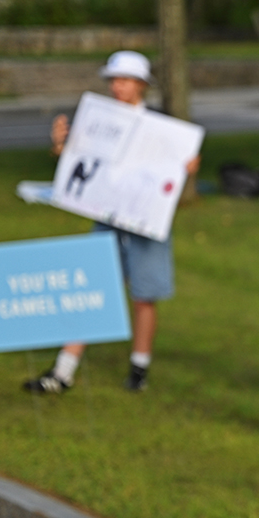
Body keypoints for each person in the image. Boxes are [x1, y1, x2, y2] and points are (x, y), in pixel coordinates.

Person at [25, 50, 199, 394]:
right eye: (114, 80)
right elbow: (79, 164)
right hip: (108, 217)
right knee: (94, 287)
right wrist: (61, 146)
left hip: (144, 219)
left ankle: (139, 367)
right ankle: (65, 369)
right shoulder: (97, 123)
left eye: (125, 81)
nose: (118, 87)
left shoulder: (159, 126)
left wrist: (186, 169)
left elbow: (170, 170)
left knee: (144, 294)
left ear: (140, 85)